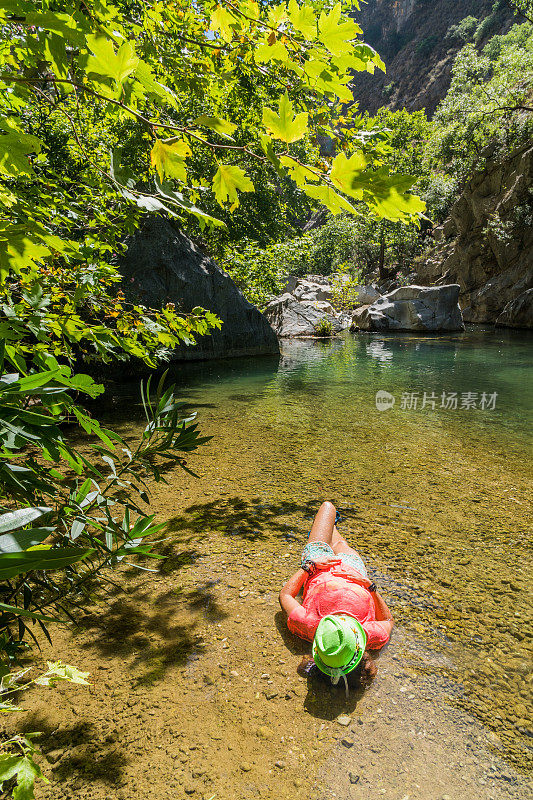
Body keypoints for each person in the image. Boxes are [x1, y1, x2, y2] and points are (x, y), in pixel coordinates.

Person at [279, 501, 393, 689]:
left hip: (325, 563)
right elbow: (388, 620)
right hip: (351, 568)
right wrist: (370, 587)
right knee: (331, 522)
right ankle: (331, 523)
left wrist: (310, 566)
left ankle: (331, 522)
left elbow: (285, 596)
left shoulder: (310, 625)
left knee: (327, 509)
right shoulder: (370, 635)